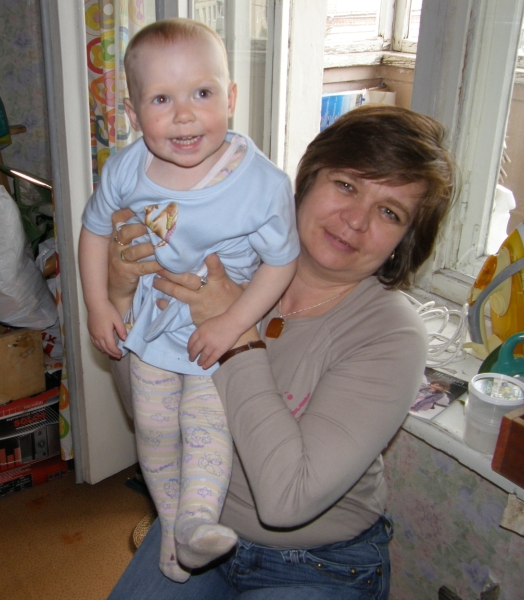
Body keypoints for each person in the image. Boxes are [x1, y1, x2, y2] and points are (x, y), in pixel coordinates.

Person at [106, 104, 458, 599]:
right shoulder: (228, 256)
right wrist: (122, 300)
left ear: (404, 241)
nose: (355, 221)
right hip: (199, 524)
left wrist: (235, 330)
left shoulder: (392, 335)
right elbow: (144, 407)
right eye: (346, 185)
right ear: (308, 180)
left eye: (389, 212)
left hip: (320, 563)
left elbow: (285, 501)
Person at [79, 19, 299, 582]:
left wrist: (232, 323)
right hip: (152, 331)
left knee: (205, 428)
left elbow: (282, 262)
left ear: (230, 98)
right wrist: (100, 305)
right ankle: (173, 529)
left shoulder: (262, 184)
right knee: (154, 430)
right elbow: (95, 230)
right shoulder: (126, 168)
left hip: (213, 332)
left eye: (202, 93)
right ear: (133, 115)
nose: (183, 114)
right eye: (161, 99)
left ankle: (197, 524)